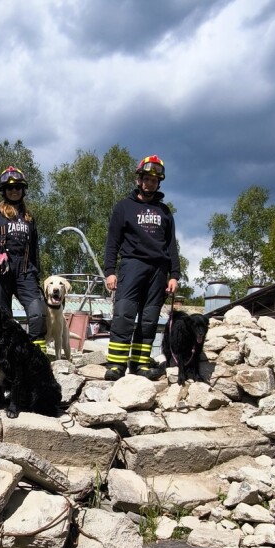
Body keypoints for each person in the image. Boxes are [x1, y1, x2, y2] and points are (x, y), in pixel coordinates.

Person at [102, 154, 180, 380]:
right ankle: (116, 365)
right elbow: (112, 242)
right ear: (139, 179)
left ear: (159, 183)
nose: (149, 183)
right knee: (124, 315)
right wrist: (110, 271)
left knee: (149, 319)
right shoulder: (124, 207)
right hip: (132, 265)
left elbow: (171, 245)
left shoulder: (165, 212)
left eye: (154, 180)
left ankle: (140, 364)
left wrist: (174, 275)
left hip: (158, 270)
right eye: (146, 179)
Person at [0, 165, 47, 350]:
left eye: (18, 187)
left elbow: (34, 249)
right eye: (10, 187)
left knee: (37, 313)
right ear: (4, 191)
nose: (14, 190)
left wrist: (36, 273)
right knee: (2, 317)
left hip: (25, 271)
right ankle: (4, 354)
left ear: (23, 190)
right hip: (0, 272)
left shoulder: (29, 219)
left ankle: (36, 353)